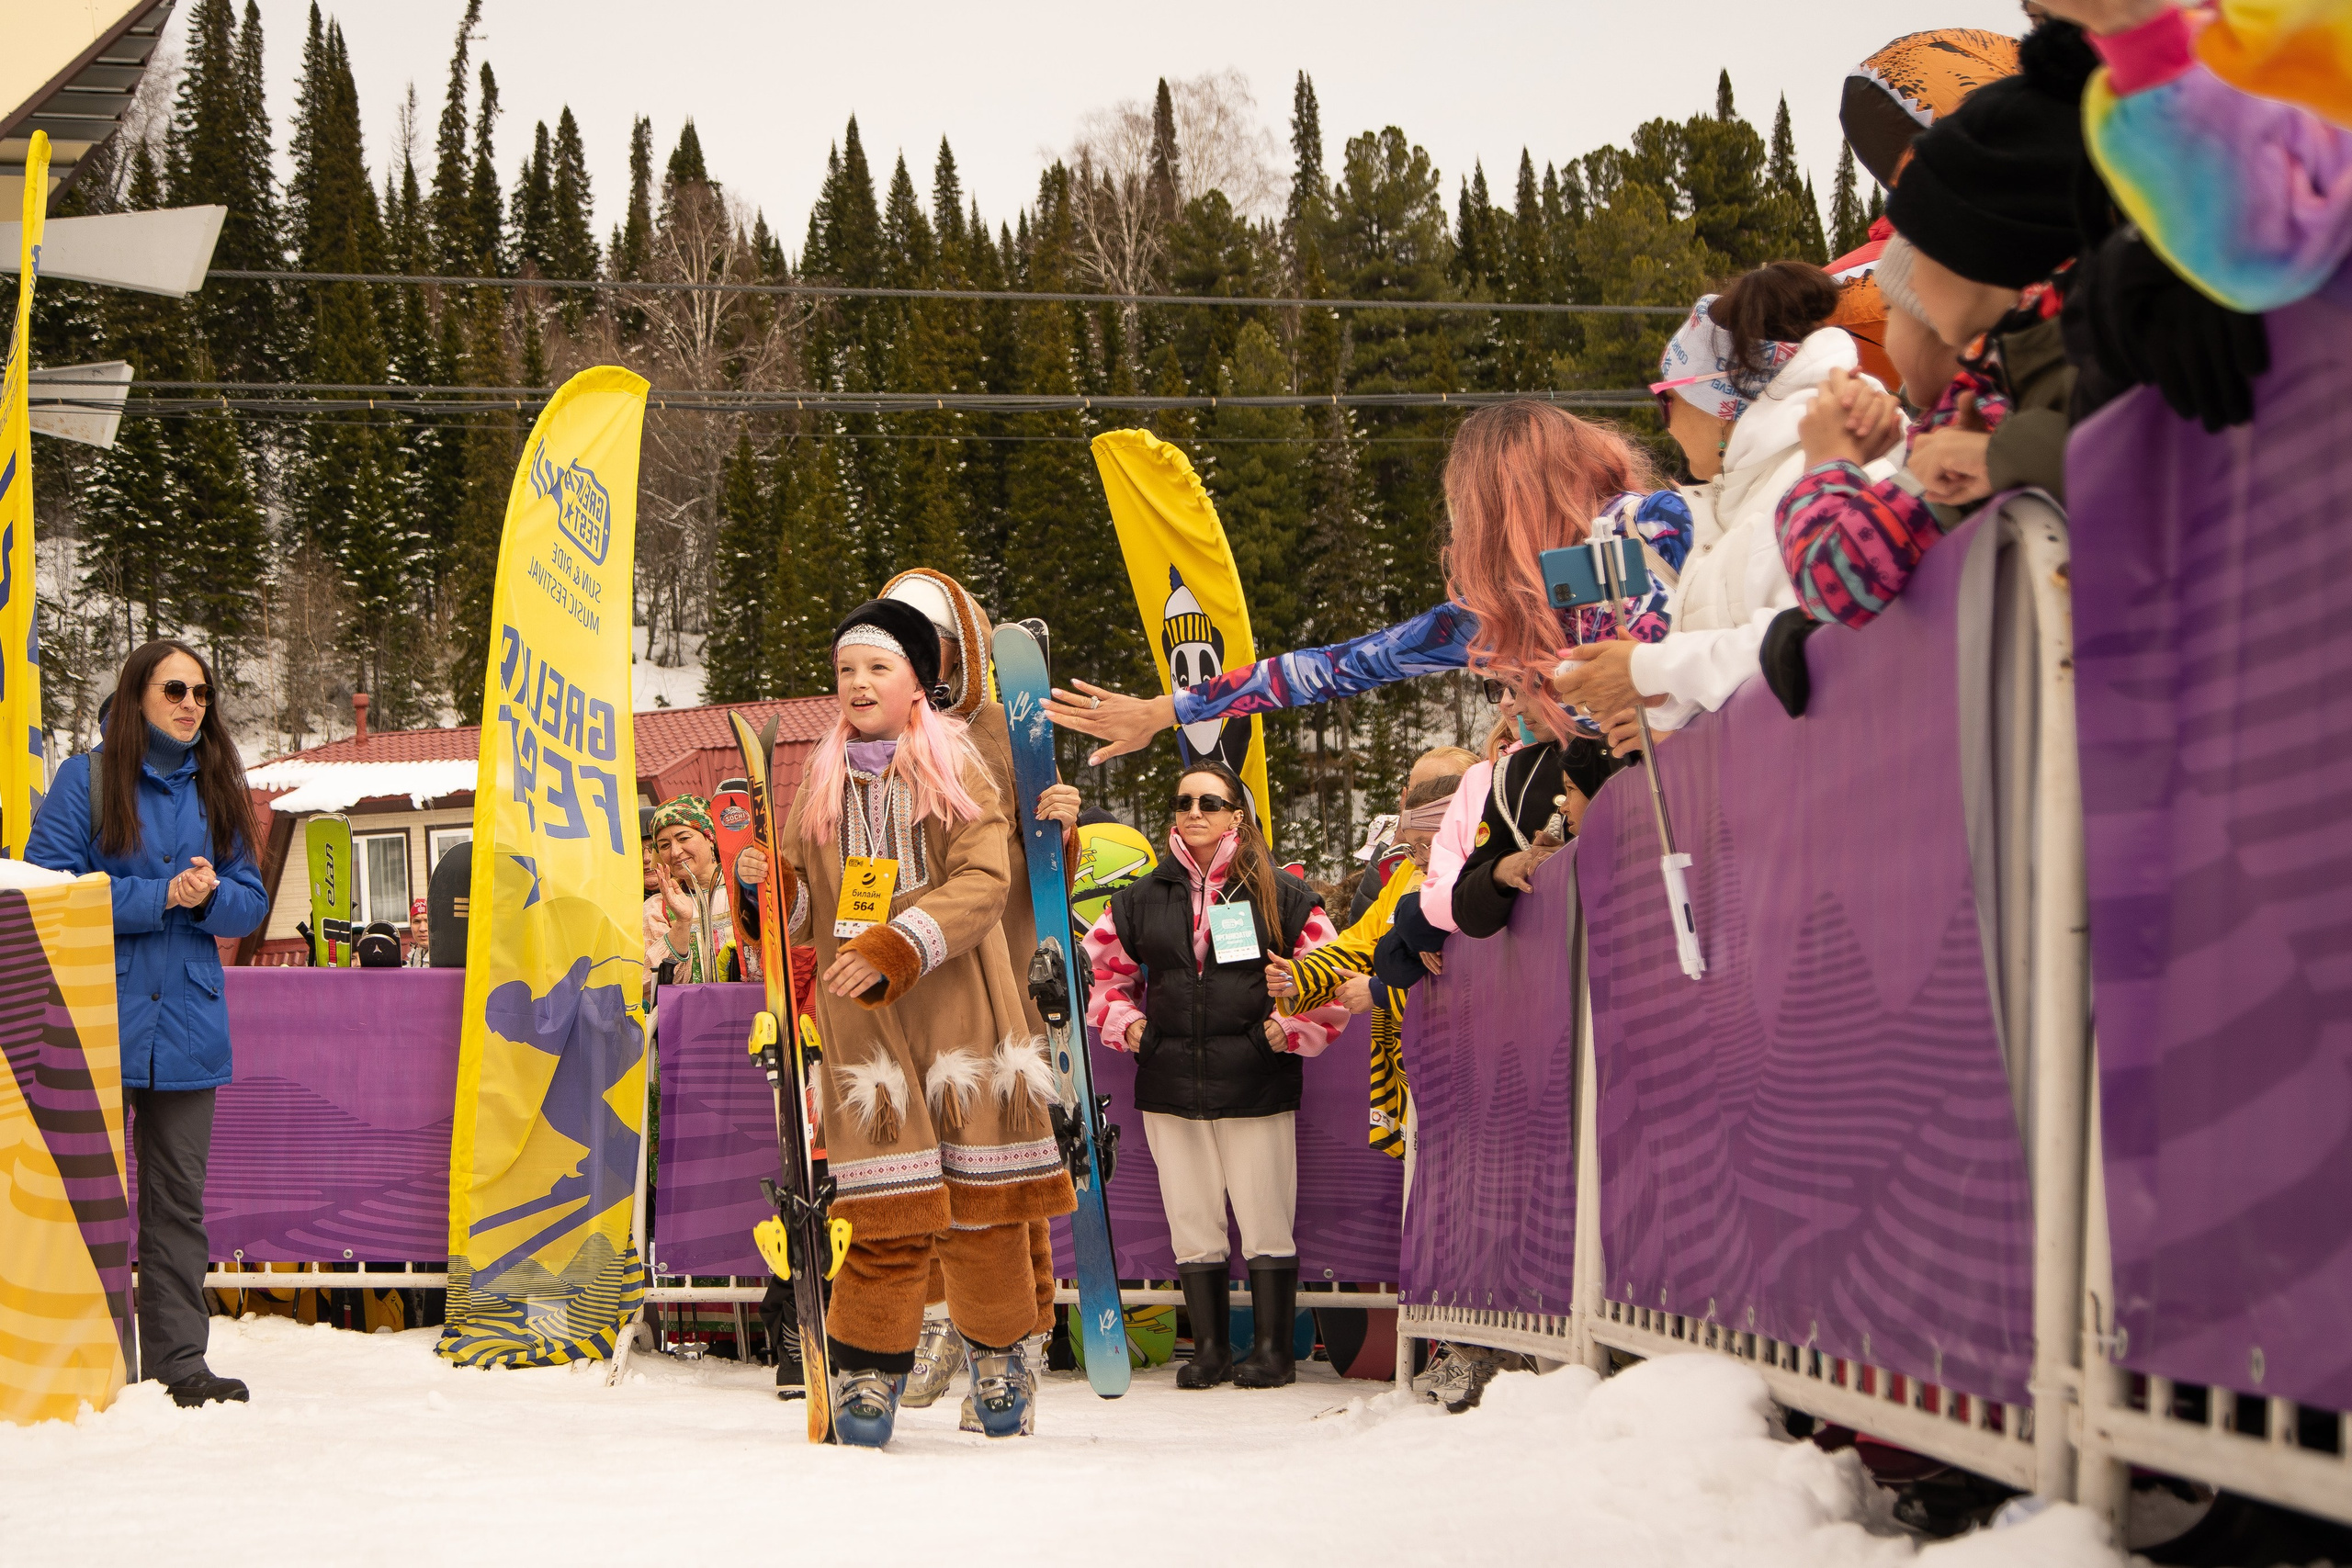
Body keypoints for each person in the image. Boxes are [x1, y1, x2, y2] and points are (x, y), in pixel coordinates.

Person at [752, 598, 1075, 1447]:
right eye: (846, 671)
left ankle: (1000, 1358)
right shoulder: (818, 785)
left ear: (917, 686)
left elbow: (984, 882)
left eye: (877, 669)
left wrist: (900, 944)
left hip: (962, 1021)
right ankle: (866, 1371)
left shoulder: (957, 769)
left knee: (982, 1213)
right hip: (868, 1038)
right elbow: (797, 915)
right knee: (887, 1217)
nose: (857, 684)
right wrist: (767, 890)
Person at [1043, 404, 1690, 762]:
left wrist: (1665, 708)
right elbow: (1331, 667)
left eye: (1468, 502)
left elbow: (1699, 636)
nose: (1460, 523)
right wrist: (1168, 710)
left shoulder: (1638, 528)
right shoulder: (1492, 616)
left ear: (1508, 497)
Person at [26, 639, 268, 1407]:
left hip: (190, 1028)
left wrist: (203, 899)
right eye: (174, 688)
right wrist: (157, 896)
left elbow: (250, 902)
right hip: (92, 1021)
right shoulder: (85, 780)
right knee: (78, 1201)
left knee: (176, 1204)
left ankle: (180, 1362)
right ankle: (74, 1357)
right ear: (137, 695)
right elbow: (44, 892)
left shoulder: (221, 786)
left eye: (202, 691)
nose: (191, 702)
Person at [875, 569, 1082, 1422]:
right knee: (924, 1161)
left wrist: (1063, 826)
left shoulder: (1000, 728)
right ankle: (942, 1324)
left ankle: (1014, 1339)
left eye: (935, 645)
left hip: (997, 967)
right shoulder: (877, 738)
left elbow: (1039, 869)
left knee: (1006, 1159)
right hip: (916, 979)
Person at [1081, 761, 1348, 1391]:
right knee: (1191, 1216)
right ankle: (1208, 1349)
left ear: (1237, 814)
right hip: (1171, 1080)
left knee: (1264, 1214)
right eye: (1182, 801)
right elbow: (1100, 974)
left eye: (1209, 801)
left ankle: (1273, 1351)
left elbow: (1329, 971)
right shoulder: (1139, 899)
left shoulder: (1282, 894)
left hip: (1255, 1077)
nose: (1193, 811)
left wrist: (1287, 1029)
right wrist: (1131, 1026)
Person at [1553, 262, 1891, 752]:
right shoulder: (1748, 494)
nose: (1667, 426)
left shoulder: (1833, 465)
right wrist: (1647, 686)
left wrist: (1646, 670)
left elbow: (1820, 636)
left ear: (1719, 399)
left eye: (1666, 400)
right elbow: (1742, 665)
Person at [1273, 761, 1466, 1160]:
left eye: (1425, 845)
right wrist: (1300, 976)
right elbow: (1360, 944)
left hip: (1466, 1064)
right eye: (1412, 846)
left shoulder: (1480, 883)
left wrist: (1380, 991)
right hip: (1405, 1059)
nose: (1417, 857)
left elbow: (1470, 979)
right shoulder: (1406, 876)